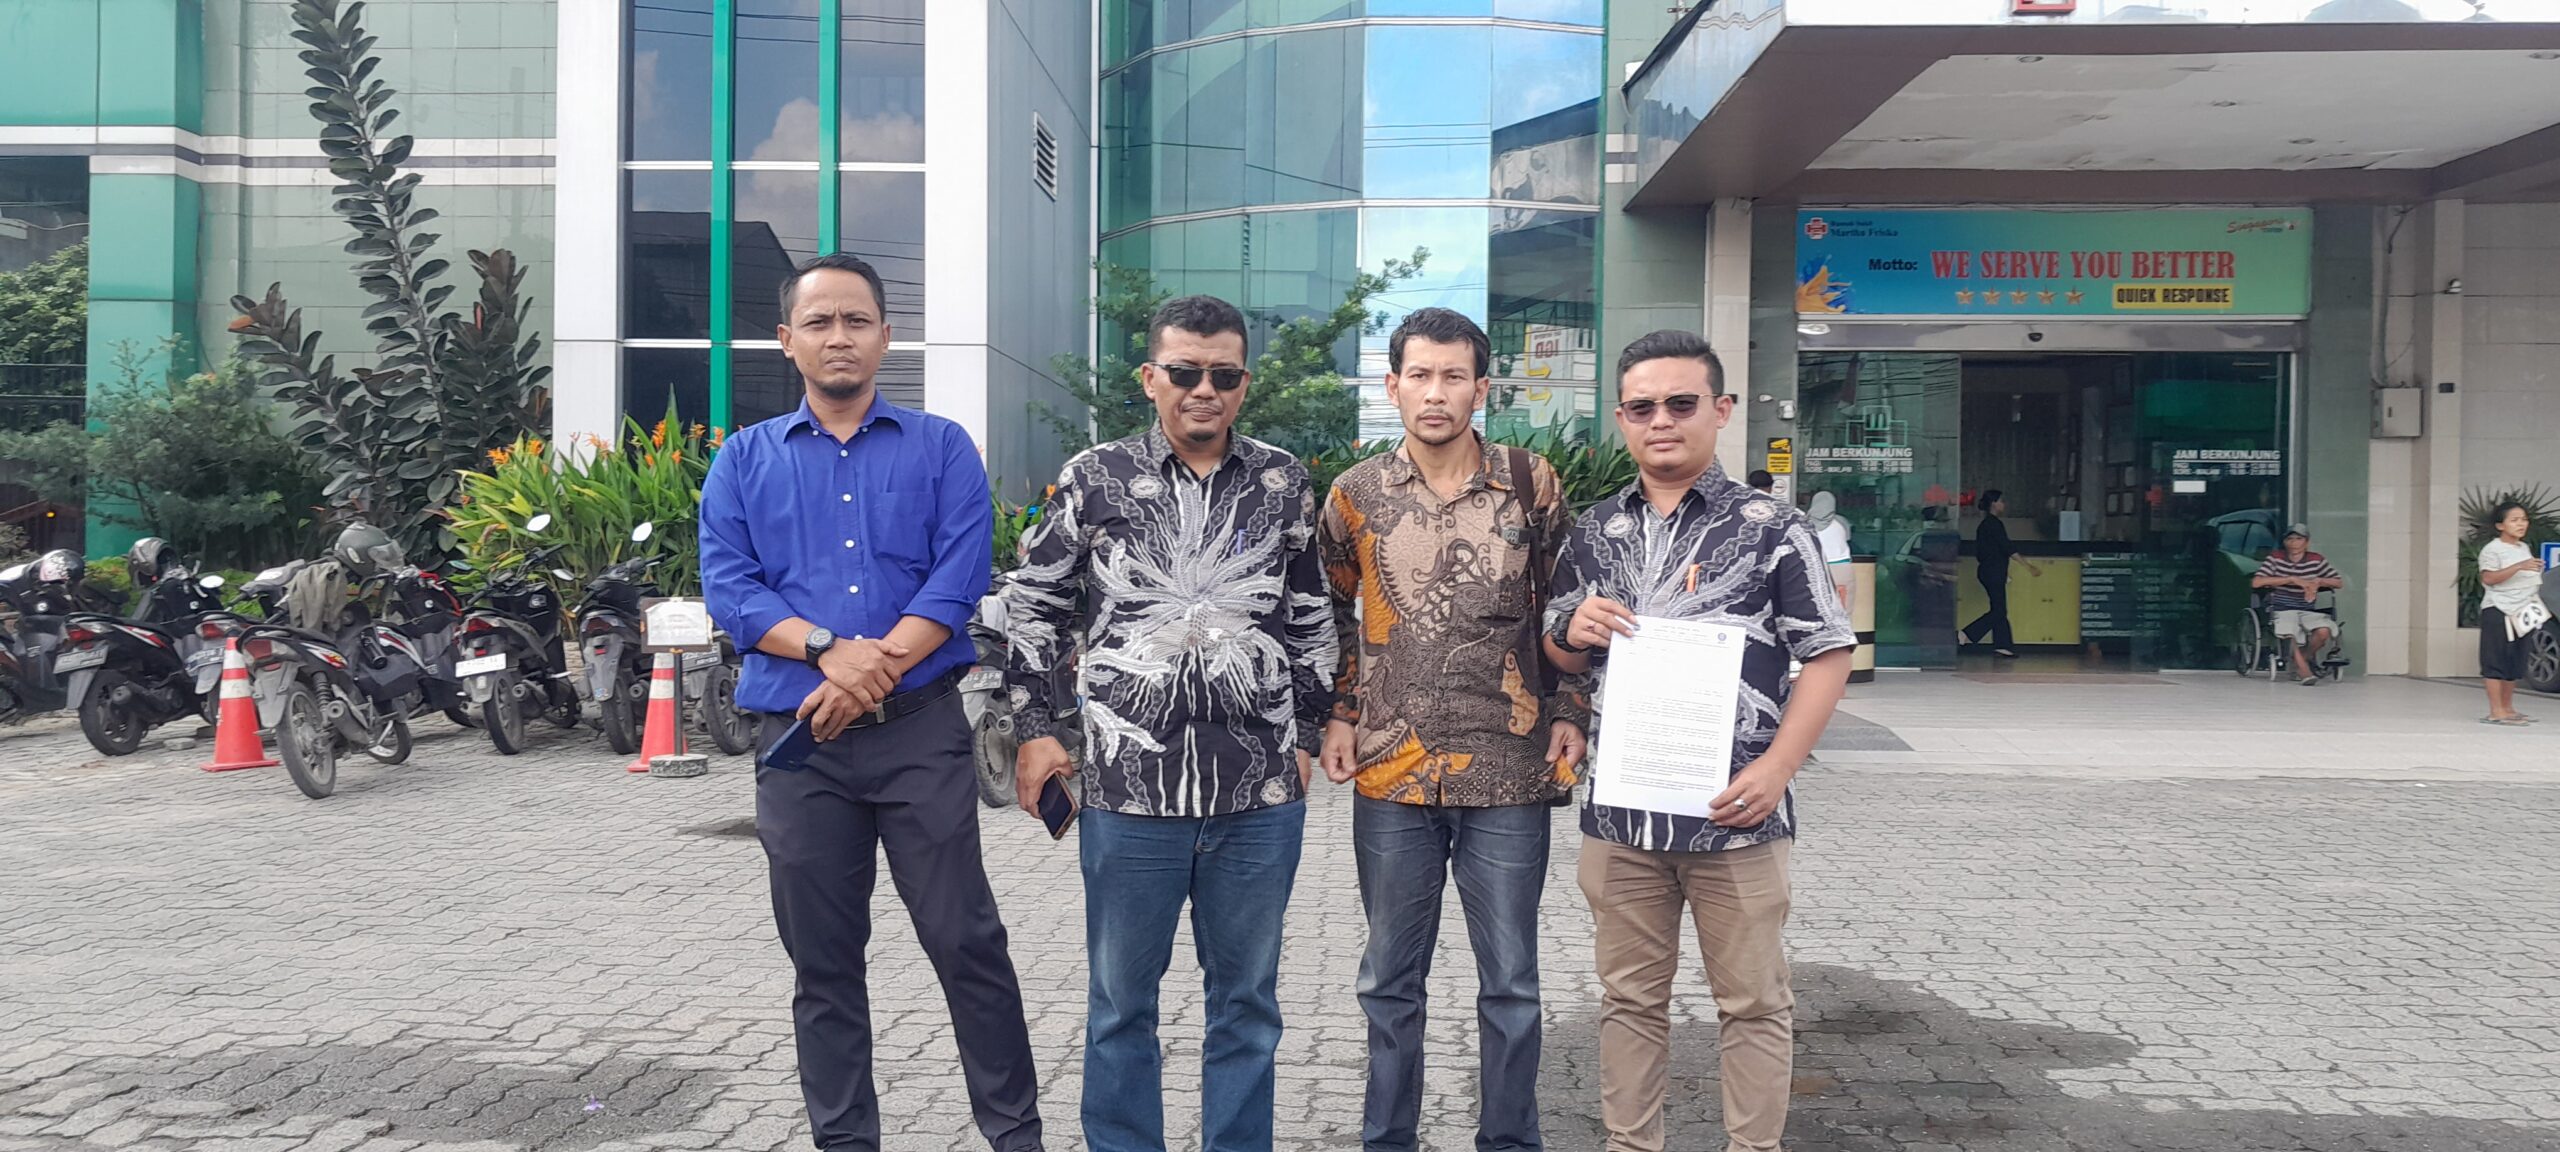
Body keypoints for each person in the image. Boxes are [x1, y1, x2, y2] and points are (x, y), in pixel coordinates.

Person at [699, 253, 1042, 1152]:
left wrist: (868, 672)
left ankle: (1016, 1136)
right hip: (801, 749)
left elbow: (957, 580)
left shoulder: (941, 448)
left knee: (967, 943)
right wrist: (828, 651)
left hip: (919, 737)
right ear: (788, 340)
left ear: (886, 336)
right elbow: (732, 591)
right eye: (819, 322)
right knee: (823, 964)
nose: (839, 336)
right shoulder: (742, 460)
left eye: (856, 320)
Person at [1003, 294, 1336, 1152]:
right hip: (1128, 792)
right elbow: (1034, 605)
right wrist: (1036, 727)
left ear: (1244, 383)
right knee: (1121, 1005)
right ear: (1150, 378)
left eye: (1223, 374)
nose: (1203, 389)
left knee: (1247, 1005)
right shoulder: (1096, 476)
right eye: (1185, 372)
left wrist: (1305, 736)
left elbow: (1310, 615)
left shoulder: (1282, 481)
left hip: (1257, 795)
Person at [1542, 330, 1856, 1152]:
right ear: (1621, 418)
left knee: (1753, 1004)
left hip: (1735, 815)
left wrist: (1779, 767)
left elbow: (1829, 653)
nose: (1662, 421)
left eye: (1681, 404)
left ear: (1720, 410)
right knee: (1629, 1002)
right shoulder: (1594, 530)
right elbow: (1560, 653)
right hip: (1625, 818)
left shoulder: (1774, 528)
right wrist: (1570, 629)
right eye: (1642, 407)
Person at [1314, 307, 1585, 1152]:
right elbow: (1330, 613)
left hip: (1509, 770)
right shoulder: (1355, 494)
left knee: (1511, 986)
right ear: (1392, 385)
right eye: (1420, 376)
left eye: (1453, 376)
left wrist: (1572, 711)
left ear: (1481, 387)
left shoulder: (1531, 483)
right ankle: (1387, 1139)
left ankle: (1509, 1142)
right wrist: (1338, 712)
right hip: (1391, 772)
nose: (1436, 393)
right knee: (1389, 983)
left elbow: (1570, 607)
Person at [2476, 501, 2547, 726]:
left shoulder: (2523, 547)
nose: (2521, 524)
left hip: (2523, 611)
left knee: (2515, 660)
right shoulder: (2492, 549)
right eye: (2514, 520)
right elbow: (2488, 578)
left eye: (2524, 519)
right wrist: (2519, 567)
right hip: (2499, 609)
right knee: (2495, 660)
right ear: (2500, 525)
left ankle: (2508, 708)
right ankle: (2496, 711)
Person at [2250, 524, 2344, 685]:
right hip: (2282, 608)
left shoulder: (2316, 560)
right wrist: (2291, 579)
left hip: (2307, 609)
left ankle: (2301, 658)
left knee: (2323, 631)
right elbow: (2257, 582)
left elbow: (2338, 582)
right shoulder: (2276, 558)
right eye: (2290, 539)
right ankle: (2303, 670)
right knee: (2290, 631)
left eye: (2299, 539)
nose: (2294, 543)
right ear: (2285, 542)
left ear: (2307, 542)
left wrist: (2319, 581)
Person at [1959, 489, 2040, 657]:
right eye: (2001, 501)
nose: (2004, 504)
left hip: (1990, 571)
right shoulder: (1994, 524)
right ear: (1994, 503)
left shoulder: (1986, 525)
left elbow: (1989, 552)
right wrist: (2027, 566)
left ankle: (2003, 646)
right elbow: (2007, 547)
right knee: (1999, 611)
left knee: (1999, 609)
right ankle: (1967, 633)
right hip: (1993, 572)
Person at [1804, 491, 1853, 614]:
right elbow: (1847, 539)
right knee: (1843, 605)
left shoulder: (1805, 523)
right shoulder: (1841, 521)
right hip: (1841, 565)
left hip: (1815, 566)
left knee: (1817, 603)